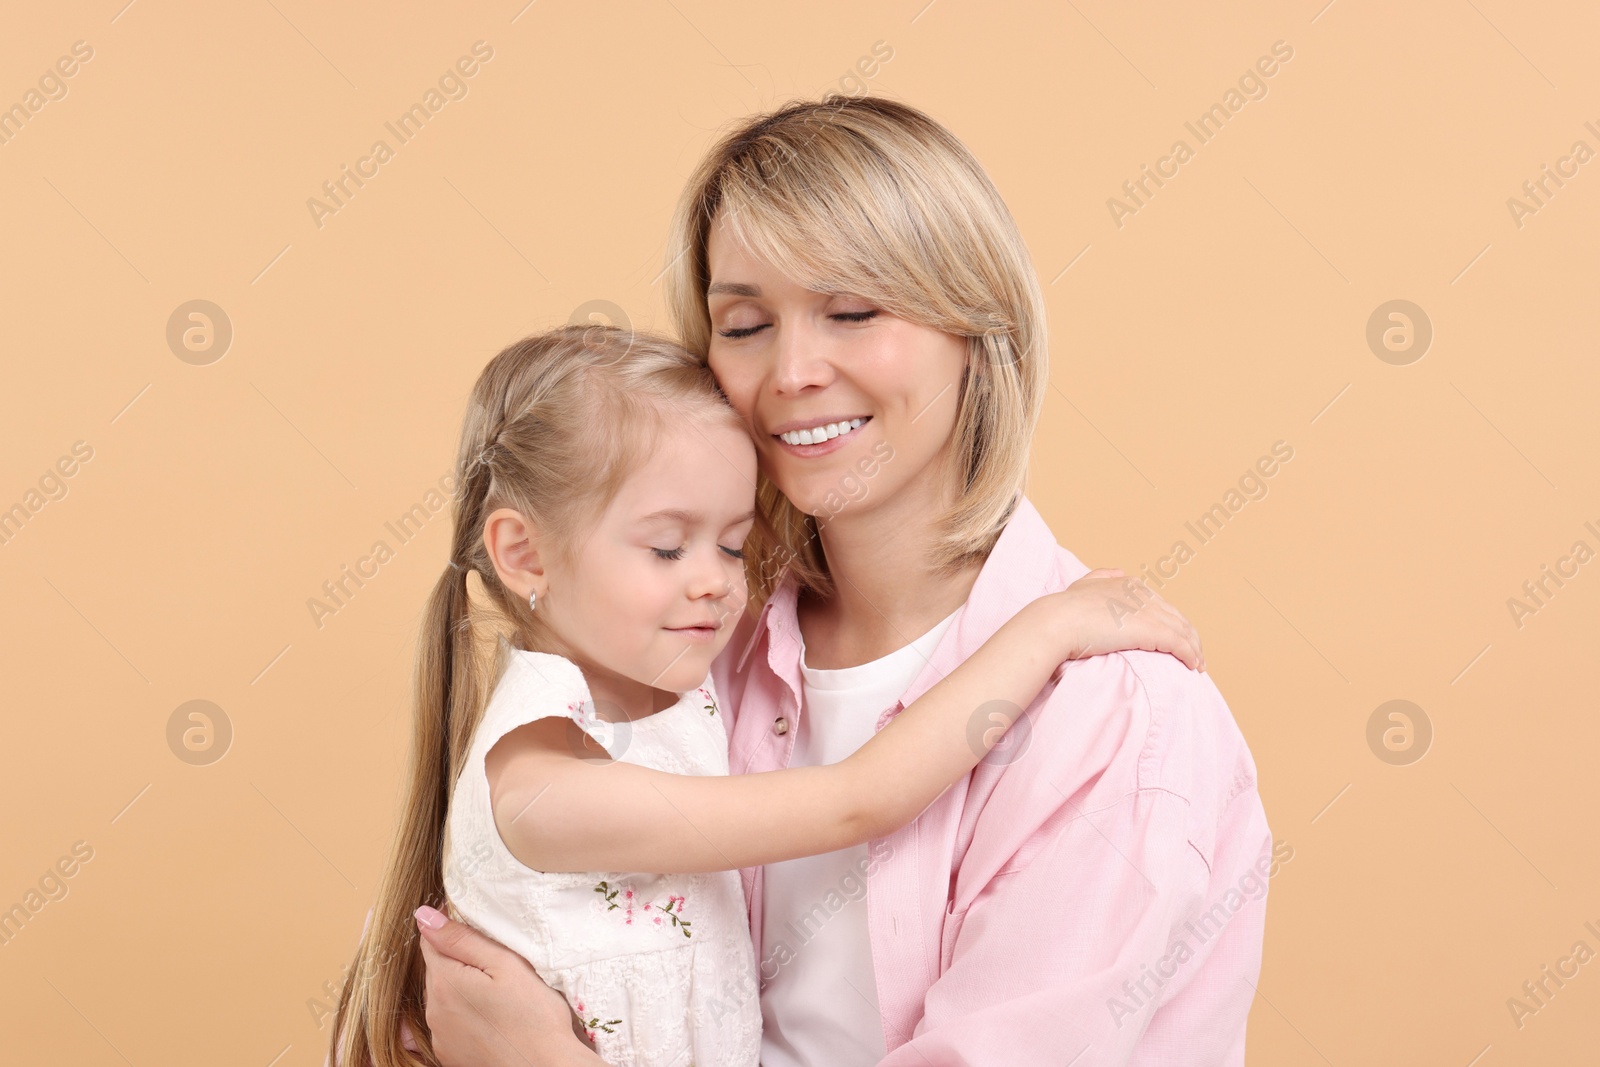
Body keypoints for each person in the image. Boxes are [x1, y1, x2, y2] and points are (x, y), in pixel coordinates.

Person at [416, 96, 1272, 1066]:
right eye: (742, 323)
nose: (791, 370)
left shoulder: (1116, 714)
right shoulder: (683, 656)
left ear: (977, 331)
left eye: (852, 311)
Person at [328, 325, 1204, 1067]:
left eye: (732, 543)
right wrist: (1042, 631)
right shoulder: (540, 789)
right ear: (524, 556)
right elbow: (855, 800)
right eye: (668, 548)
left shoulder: (677, 704)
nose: (714, 582)